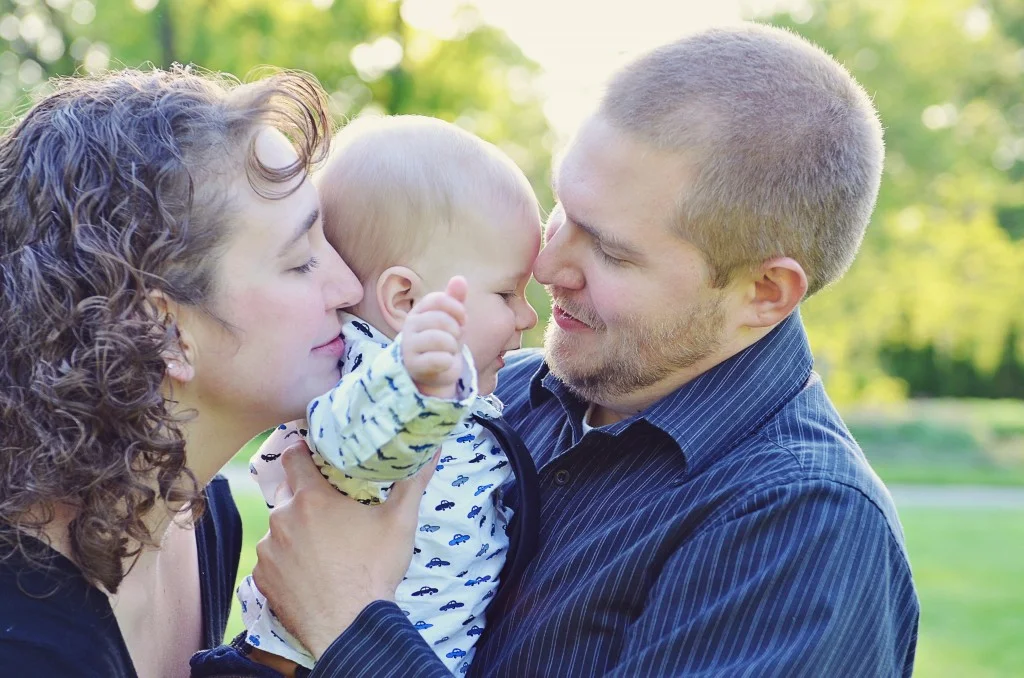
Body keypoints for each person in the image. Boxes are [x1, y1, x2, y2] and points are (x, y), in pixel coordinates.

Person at [250, 23, 920, 677]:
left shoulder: (805, 530)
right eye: (563, 209)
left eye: (609, 250)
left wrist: (347, 625)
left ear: (766, 292)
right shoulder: (500, 392)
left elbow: (346, 613)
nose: (546, 265)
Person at [0, 67, 439, 678]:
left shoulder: (200, 519)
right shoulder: (23, 642)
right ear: (163, 331)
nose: (347, 287)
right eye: (300, 260)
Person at [226, 115, 542, 676]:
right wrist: (418, 385)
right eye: (506, 291)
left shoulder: (452, 387)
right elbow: (350, 448)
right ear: (406, 299)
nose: (527, 316)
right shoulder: (370, 379)